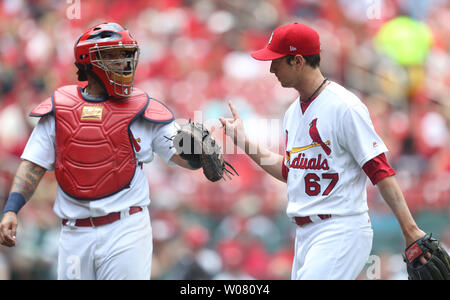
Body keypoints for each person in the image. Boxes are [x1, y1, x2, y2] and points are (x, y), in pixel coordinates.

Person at [219, 22, 429, 279]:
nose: (271, 68)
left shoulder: (345, 107)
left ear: (297, 61)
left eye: (277, 61)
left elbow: (380, 170)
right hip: (306, 235)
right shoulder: (292, 112)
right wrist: (243, 142)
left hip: (341, 228)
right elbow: (290, 171)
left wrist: (410, 230)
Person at [0, 22, 199, 280]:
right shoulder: (60, 107)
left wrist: (199, 155)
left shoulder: (143, 108)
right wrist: (12, 209)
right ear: (88, 61)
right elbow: (33, 164)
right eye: (114, 56)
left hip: (126, 228)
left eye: (126, 55)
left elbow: (183, 157)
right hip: (74, 233)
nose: (125, 63)